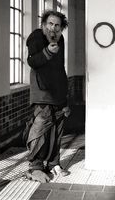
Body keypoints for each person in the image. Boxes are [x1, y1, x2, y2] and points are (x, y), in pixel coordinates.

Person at [25, 10, 71, 183]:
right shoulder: (36, 36)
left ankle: (53, 164)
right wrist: (47, 52)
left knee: (57, 130)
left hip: (58, 95)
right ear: (44, 25)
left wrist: (65, 98)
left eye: (57, 25)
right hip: (42, 94)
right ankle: (35, 168)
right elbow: (32, 61)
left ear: (61, 29)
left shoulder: (61, 40)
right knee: (39, 130)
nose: (53, 28)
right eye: (50, 24)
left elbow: (60, 70)